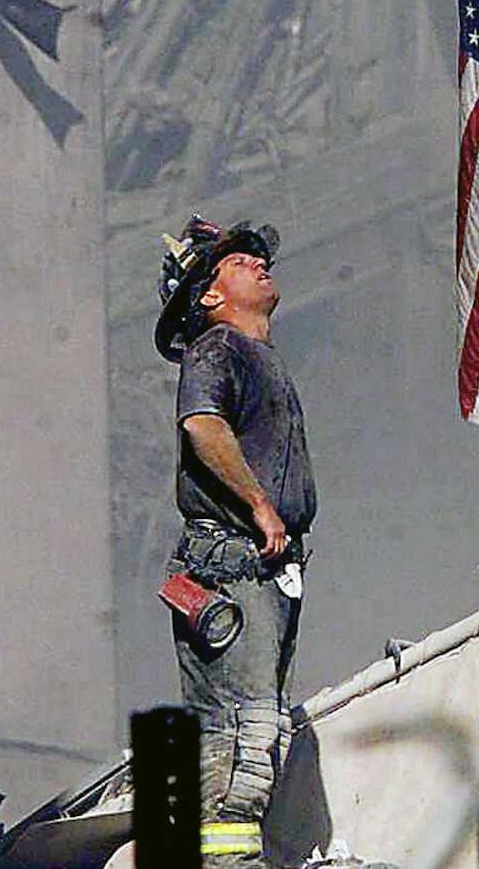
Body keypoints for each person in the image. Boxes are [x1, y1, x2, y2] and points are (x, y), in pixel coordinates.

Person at [155, 215, 318, 869]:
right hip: (232, 565)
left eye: (257, 256)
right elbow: (202, 424)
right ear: (210, 297)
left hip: (263, 572)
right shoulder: (217, 349)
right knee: (241, 742)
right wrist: (259, 505)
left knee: (259, 734)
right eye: (238, 260)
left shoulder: (257, 357)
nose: (258, 263)